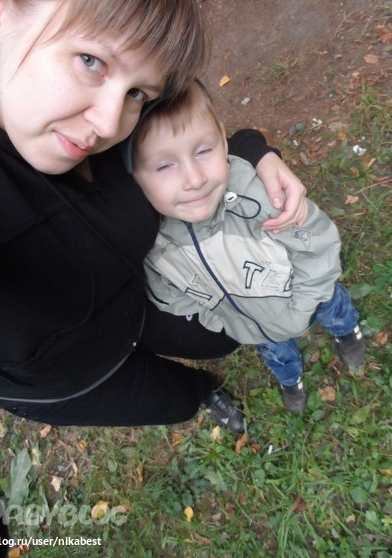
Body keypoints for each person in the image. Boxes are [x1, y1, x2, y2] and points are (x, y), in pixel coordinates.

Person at [0, 0, 308, 553]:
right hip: (67, 378)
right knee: (173, 400)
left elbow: (182, 127)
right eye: (90, 61)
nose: (107, 123)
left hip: (140, 298)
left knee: (222, 340)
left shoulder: (88, 97)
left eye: (137, 93)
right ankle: (204, 397)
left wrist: (252, 152)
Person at [130, 80, 366, 421]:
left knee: (334, 307)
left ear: (223, 140)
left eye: (203, 150)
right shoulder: (152, 242)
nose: (194, 179)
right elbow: (171, 296)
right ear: (134, 177)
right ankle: (291, 379)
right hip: (253, 328)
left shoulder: (259, 197)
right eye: (164, 166)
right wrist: (227, 320)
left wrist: (302, 306)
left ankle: (346, 330)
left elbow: (318, 247)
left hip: (309, 296)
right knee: (277, 353)